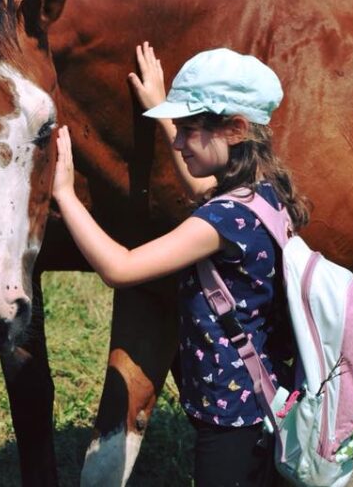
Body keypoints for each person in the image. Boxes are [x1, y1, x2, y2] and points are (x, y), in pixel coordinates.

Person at [53, 43, 307, 487]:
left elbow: (121, 267)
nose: (176, 140)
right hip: (264, 398)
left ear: (235, 129)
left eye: (189, 129)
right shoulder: (263, 194)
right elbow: (201, 191)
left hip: (229, 420)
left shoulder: (221, 220)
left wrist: (64, 196)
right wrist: (160, 106)